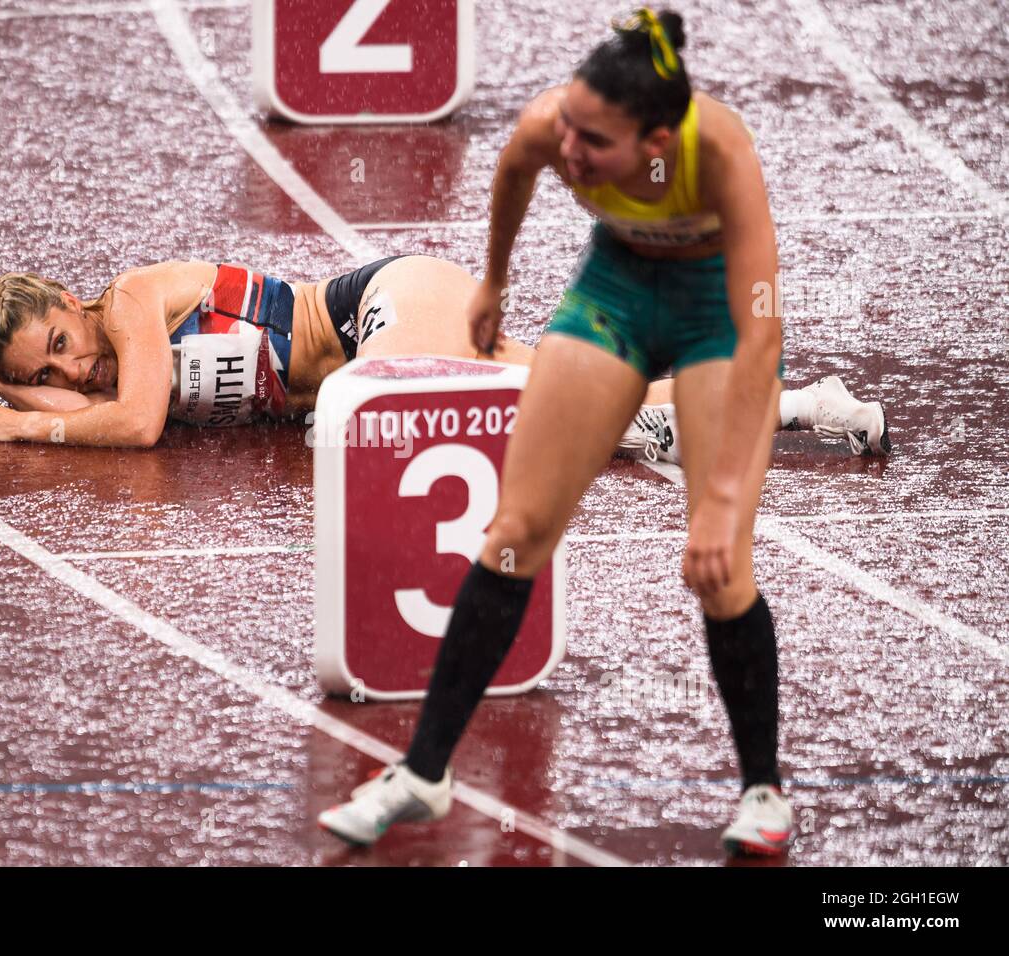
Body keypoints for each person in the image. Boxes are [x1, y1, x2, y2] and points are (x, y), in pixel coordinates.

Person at [319, 9, 808, 856]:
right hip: (613, 292)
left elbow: (762, 332)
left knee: (719, 564)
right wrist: (494, 285)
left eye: (594, 142)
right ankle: (425, 773)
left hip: (715, 321)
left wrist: (722, 499)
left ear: (657, 141)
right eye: (568, 127)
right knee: (515, 534)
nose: (569, 149)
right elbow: (513, 171)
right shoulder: (556, 123)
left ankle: (763, 793)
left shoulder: (719, 154)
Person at [0, 258, 888, 461]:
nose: (72, 376)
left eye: (59, 347)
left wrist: (23, 422)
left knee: (354, 425)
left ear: (72, 303)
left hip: (383, 303)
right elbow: (109, 416)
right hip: (392, 336)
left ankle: (645, 424)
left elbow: (139, 425)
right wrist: (21, 395)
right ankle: (807, 404)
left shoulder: (126, 309)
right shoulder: (93, 374)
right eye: (43, 376)